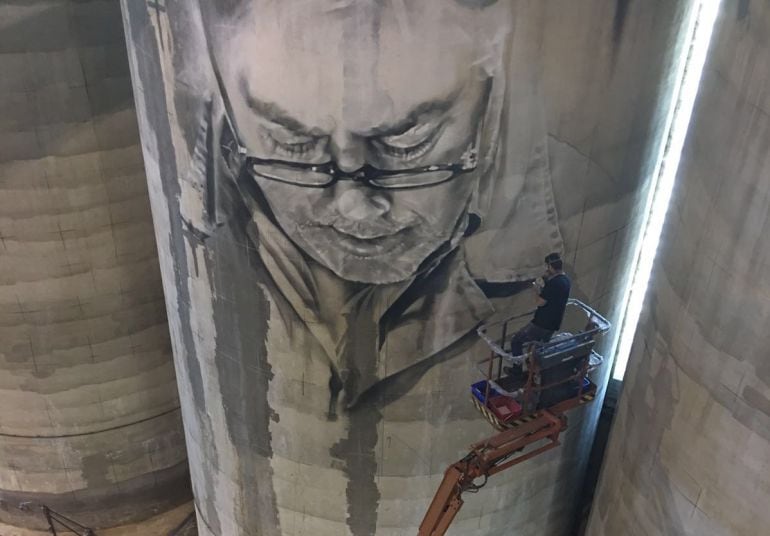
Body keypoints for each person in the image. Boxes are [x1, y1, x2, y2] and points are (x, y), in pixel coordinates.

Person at [508, 252, 571, 358]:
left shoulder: (553, 283)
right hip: (554, 323)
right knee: (540, 349)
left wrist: (536, 289)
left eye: (547, 266)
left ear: (550, 266)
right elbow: (552, 297)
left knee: (516, 341)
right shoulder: (566, 280)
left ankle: (516, 371)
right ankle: (535, 370)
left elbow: (540, 302)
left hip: (542, 323)